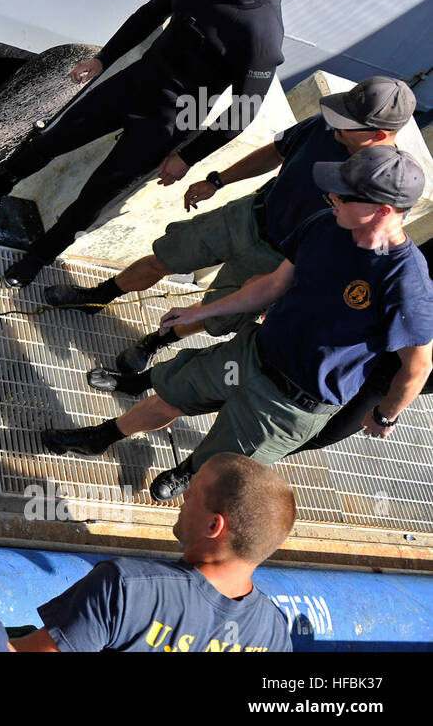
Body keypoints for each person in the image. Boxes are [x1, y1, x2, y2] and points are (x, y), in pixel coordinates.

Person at [42, 146, 433, 501]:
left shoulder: (406, 283)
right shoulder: (325, 223)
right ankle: (102, 437)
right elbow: (274, 284)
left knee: (224, 463)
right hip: (251, 353)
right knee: (174, 391)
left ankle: (185, 472)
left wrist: (385, 416)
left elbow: (418, 367)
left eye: (343, 195)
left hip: (289, 403)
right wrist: (201, 312)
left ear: (383, 210)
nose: (330, 197)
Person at [0, 0, 284, 289]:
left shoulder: (261, 34)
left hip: (171, 118)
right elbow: (151, 13)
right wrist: (103, 59)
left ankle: (39, 256)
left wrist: (187, 157)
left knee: (97, 193)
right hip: (135, 83)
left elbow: (242, 113)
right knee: (52, 139)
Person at [43, 76, 414, 375]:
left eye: (346, 124)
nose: (334, 126)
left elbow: (360, 252)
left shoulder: (390, 184)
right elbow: (275, 153)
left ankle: (154, 342)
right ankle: (96, 297)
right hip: (247, 216)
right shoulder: (324, 126)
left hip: (281, 262)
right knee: (165, 256)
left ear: (379, 135)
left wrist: (288, 289)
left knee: (218, 311)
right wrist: (217, 180)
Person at [11, 454, 294, 652]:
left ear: (213, 525)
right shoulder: (275, 634)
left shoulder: (126, 588)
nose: (184, 498)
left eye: (193, 493)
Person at [291, 235, 433, 455]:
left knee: (317, 434)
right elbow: (399, 269)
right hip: (365, 343)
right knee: (301, 418)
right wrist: (385, 416)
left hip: (386, 378)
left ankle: (230, 467)